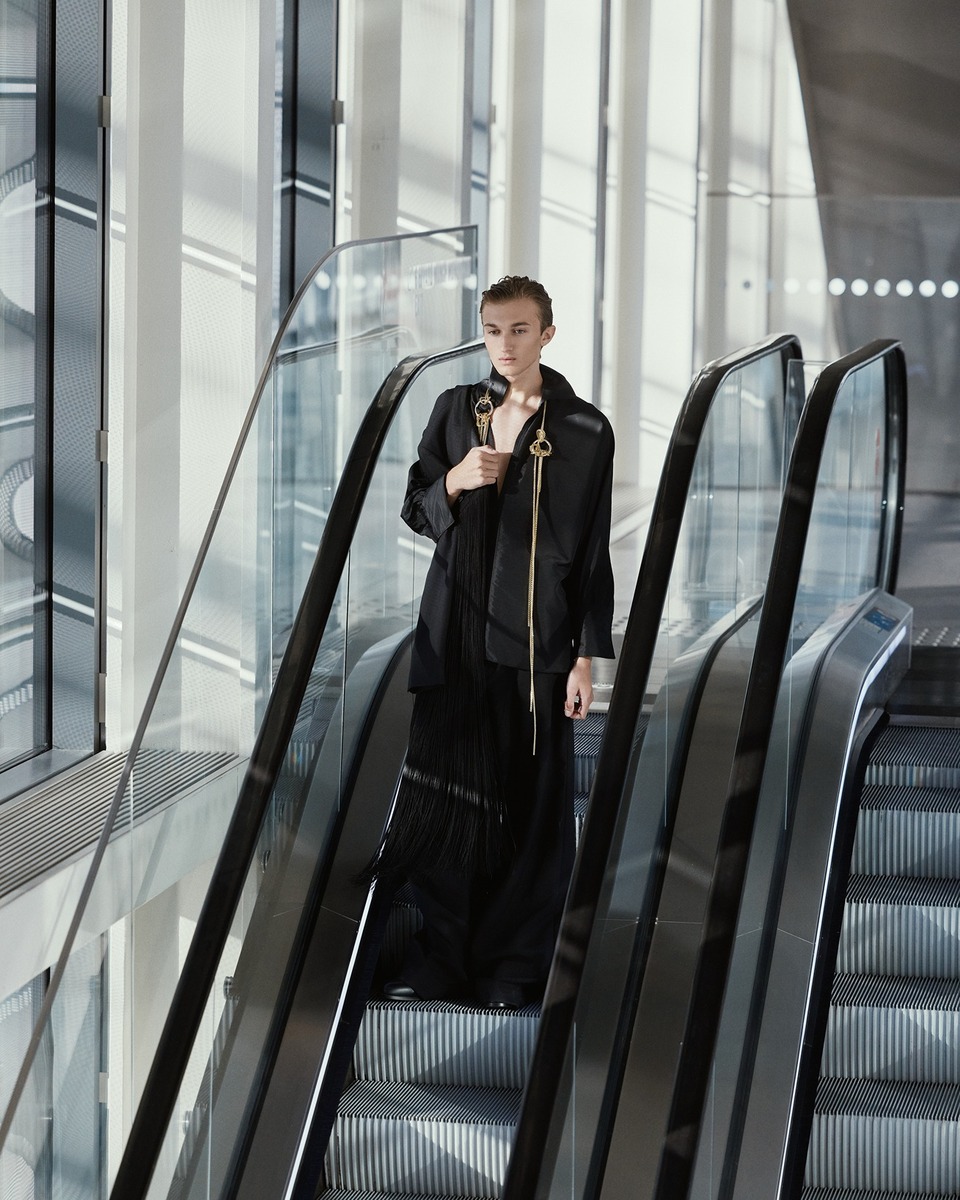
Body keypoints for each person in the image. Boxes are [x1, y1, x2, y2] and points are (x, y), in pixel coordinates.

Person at [369, 275, 615, 1009]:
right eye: (493, 330)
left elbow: (592, 551)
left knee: (531, 811)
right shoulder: (456, 410)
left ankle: (514, 965)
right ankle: (439, 958)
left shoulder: (584, 430)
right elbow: (415, 507)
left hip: (537, 647)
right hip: (455, 635)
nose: (504, 344)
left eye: (519, 329)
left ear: (547, 333)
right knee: (447, 800)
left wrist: (584, 657)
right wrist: (453, 481)